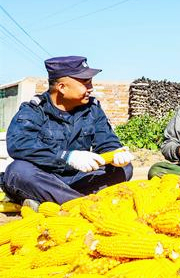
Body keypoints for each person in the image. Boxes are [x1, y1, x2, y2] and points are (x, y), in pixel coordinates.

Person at [2, 56, 134, 205]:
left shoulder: (92, 110)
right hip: (45, 178)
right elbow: (19, 144)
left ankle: (59, 201)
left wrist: (116, 154)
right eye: (85, 82)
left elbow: (107, 142)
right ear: (62, 87)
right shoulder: (35, 110)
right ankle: (83, 204)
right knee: (18, 171)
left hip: (78, 178)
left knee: (124, 169)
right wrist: (67, 157)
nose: (91, 88)